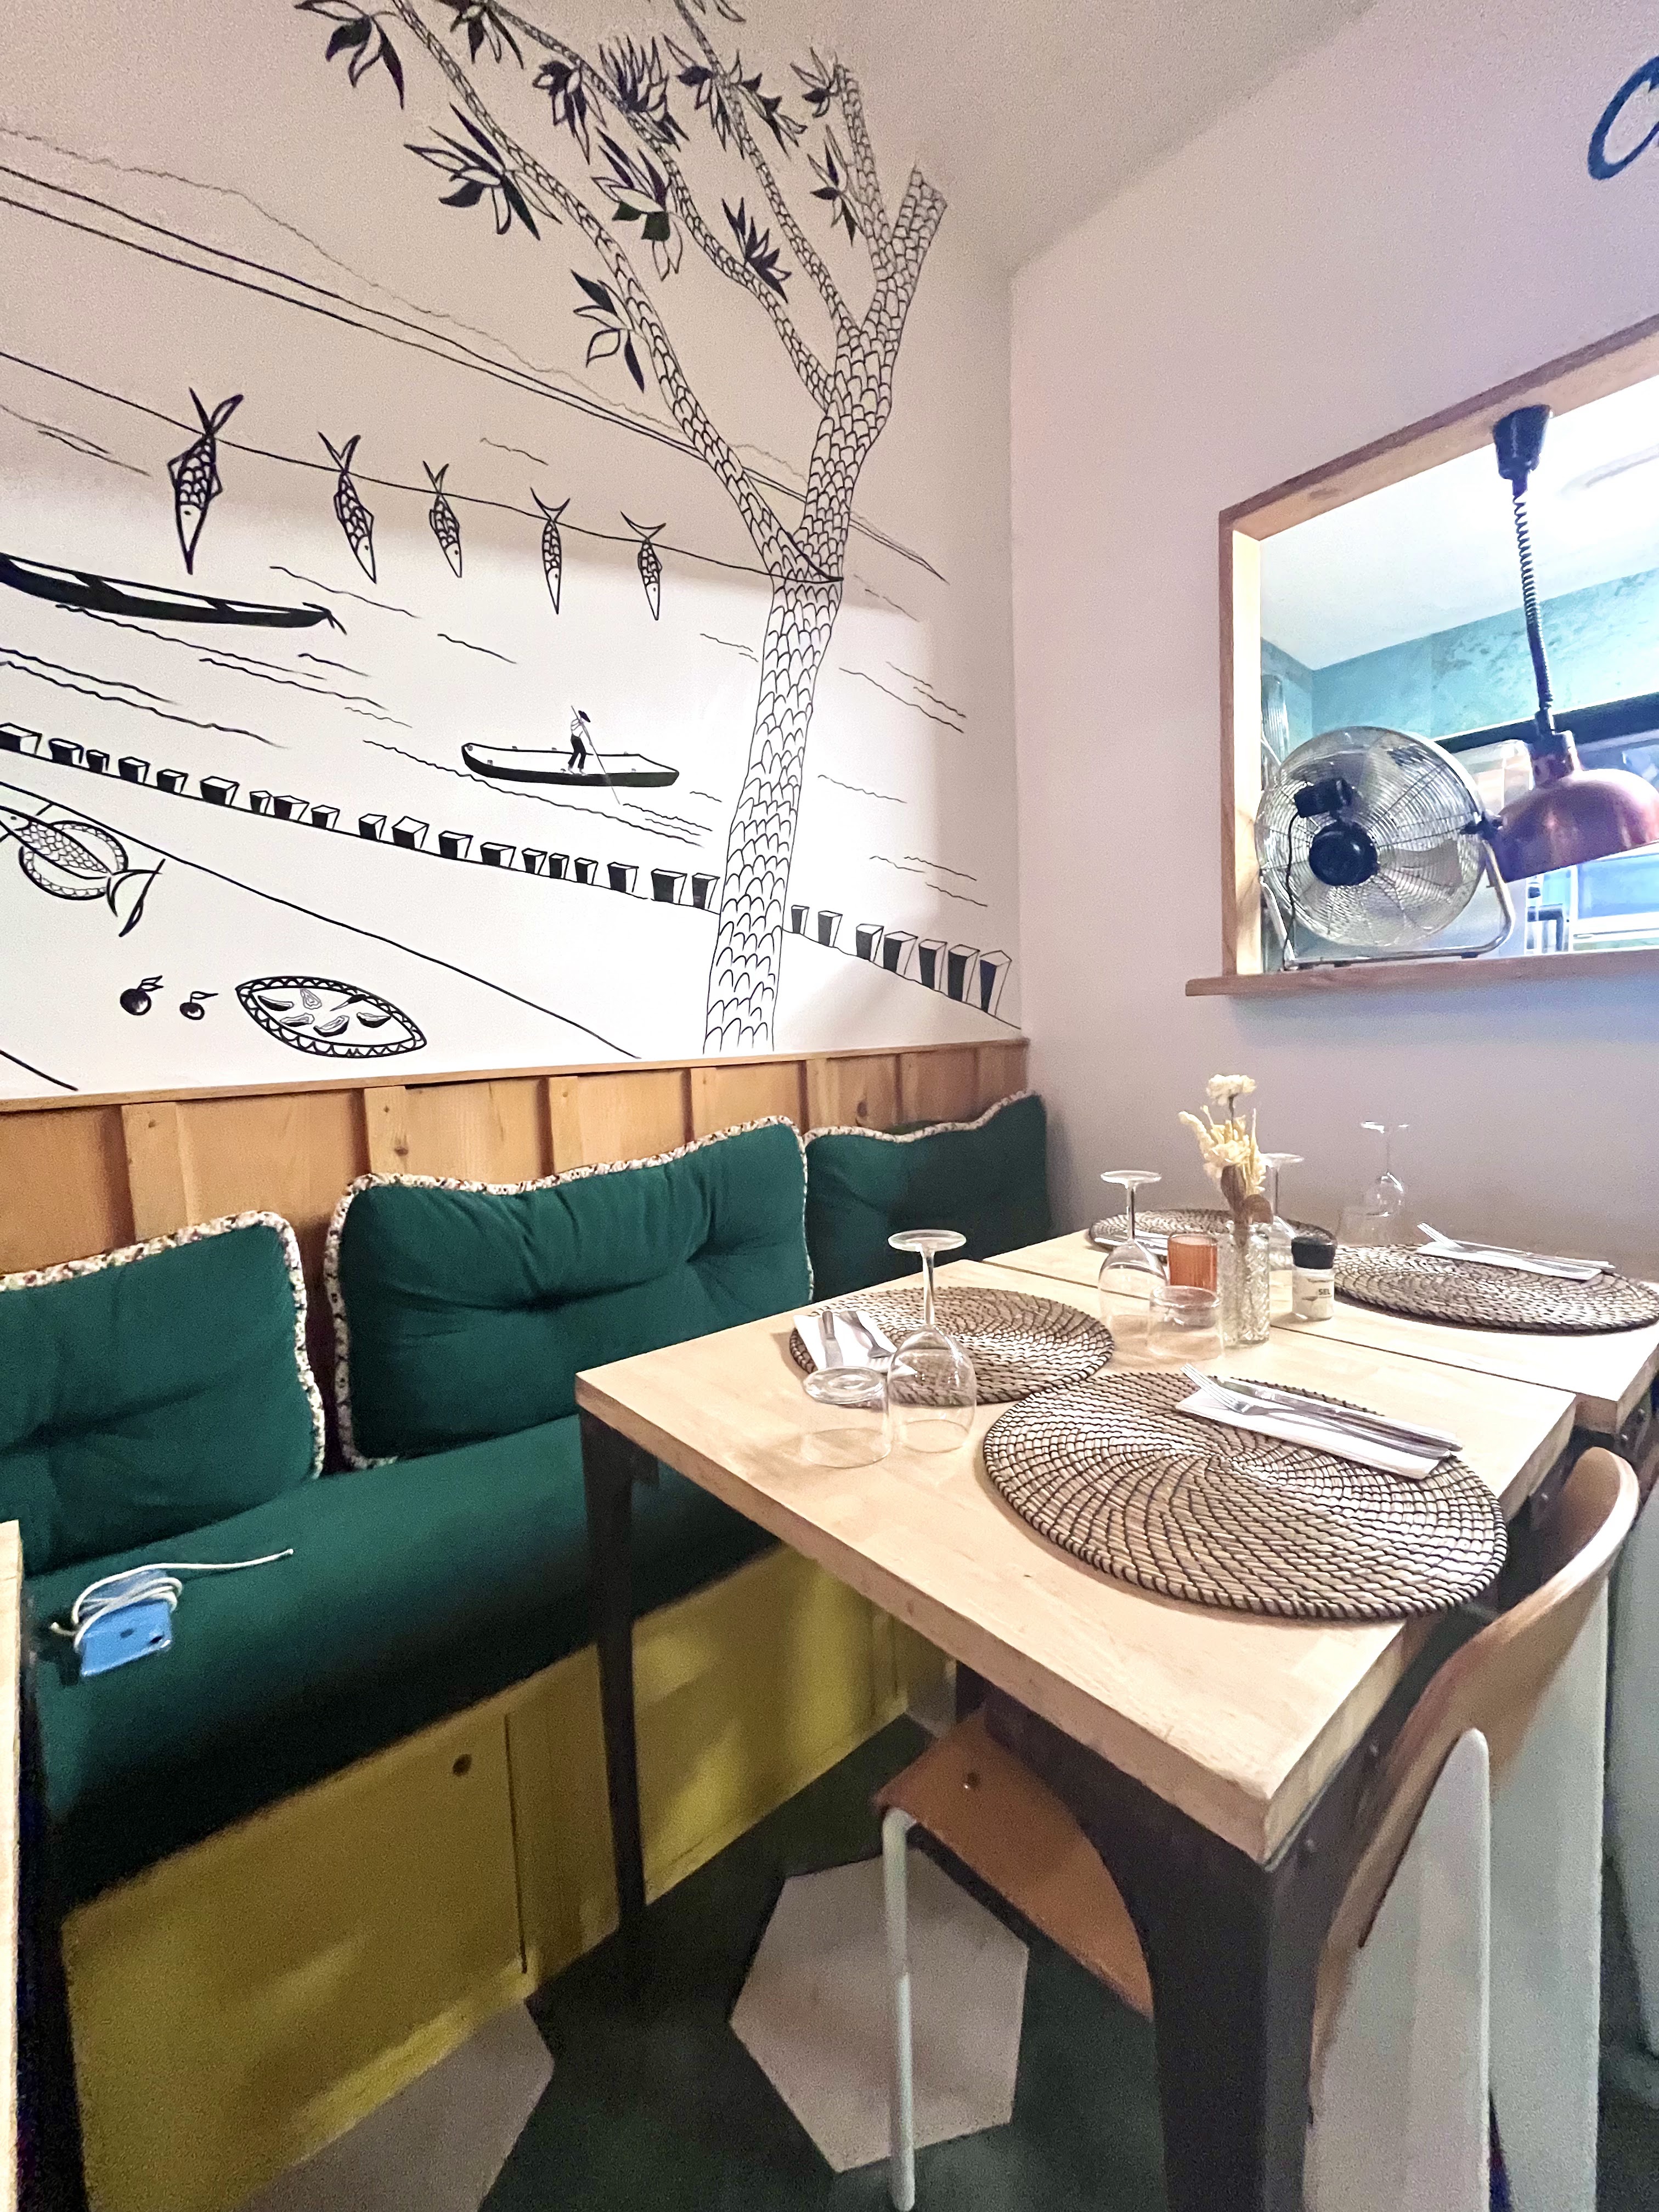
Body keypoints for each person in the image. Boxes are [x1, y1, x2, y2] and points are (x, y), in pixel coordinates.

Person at [569, 708, 591, 773]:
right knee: (577, 751)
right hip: (574, 738)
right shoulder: (575, 721)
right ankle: (570, 767)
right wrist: (578, 724)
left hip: (579, 739)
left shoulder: (583, 725)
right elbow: (573, 729)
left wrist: (590, 741)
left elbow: (587, 733)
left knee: (584, 753)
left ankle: (581, 768)